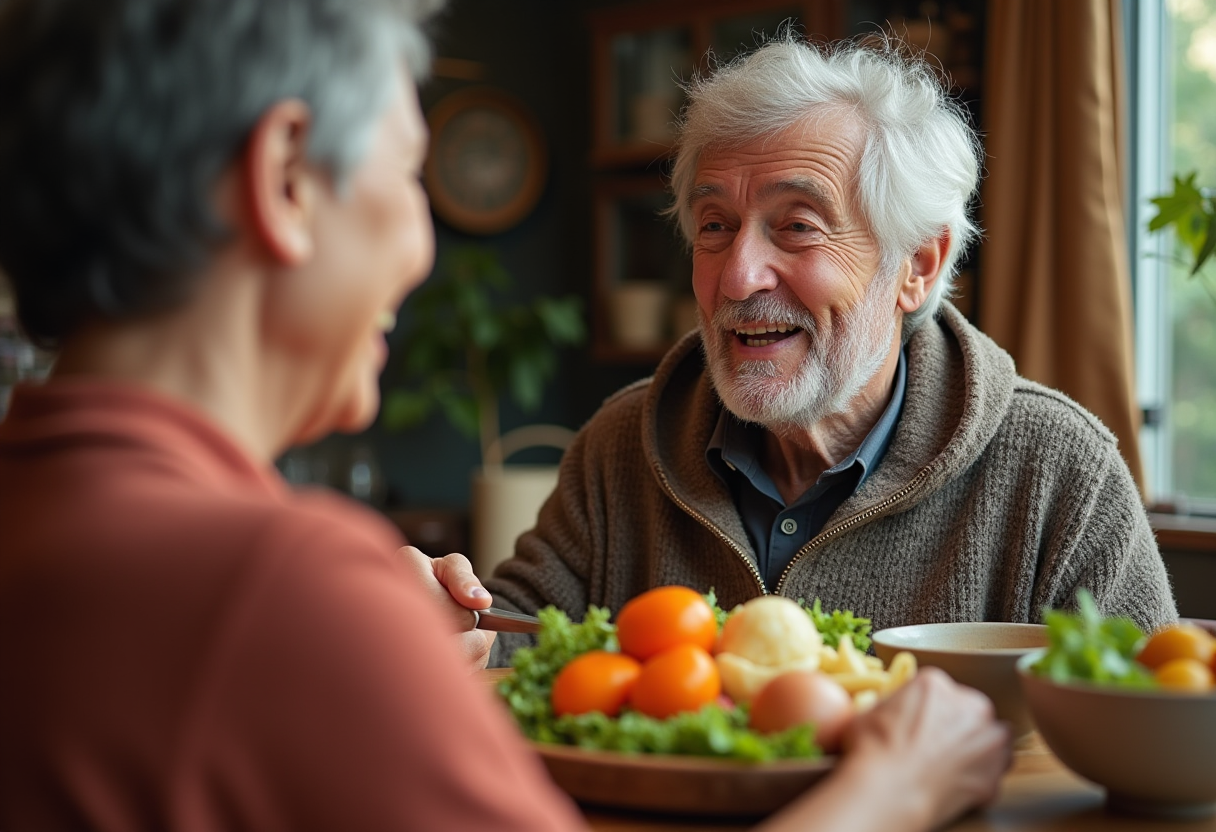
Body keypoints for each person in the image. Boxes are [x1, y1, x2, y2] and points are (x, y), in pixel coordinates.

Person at [0, 4, 1010, 831]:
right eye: (408, 174)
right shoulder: (276, 586)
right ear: (286, 180)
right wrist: (894, 794)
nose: (422, 247)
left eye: (796, 226)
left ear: (917, 266)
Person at [474, 33, 1177, 665]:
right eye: (715, 225)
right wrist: (455, 629)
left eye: (798, 226)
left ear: (917, 265)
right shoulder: (621, 445)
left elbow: (1146, 720)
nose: (738, 277)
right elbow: (515, 631)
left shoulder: (1059, 471)